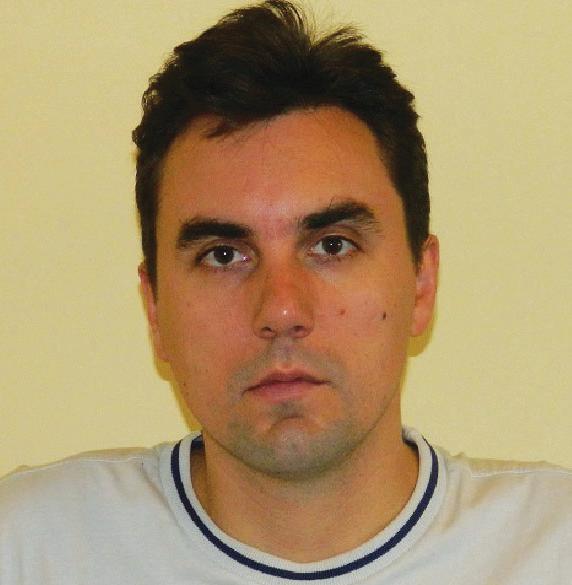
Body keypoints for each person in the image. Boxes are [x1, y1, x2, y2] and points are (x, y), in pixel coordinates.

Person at [1, 1, 570, 583]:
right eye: (224, 255)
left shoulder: (553, 549)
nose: (281, 309)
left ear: (421, 282)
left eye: (332, 246)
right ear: (155, 309)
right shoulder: (27, 551)